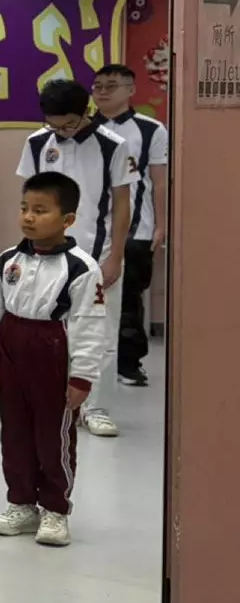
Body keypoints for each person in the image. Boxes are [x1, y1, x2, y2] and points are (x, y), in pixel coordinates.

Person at [0, 172, 107, 548]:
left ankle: (55, 508)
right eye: (24, 208)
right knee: (14, 432)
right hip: (12, 347)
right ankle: (21, 504)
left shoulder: (82, 268)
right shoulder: (7, 260)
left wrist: (82, 377)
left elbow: (88, 325)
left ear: (68, 219)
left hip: (53, 351)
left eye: (40, 210)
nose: (29, 217)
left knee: (53, 436)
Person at [16, 80, 136, 436]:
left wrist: (116, 257)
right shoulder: (37, 142)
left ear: (86, 112)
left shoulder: (113, 145)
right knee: (47, 332)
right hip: (47, 253)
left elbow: (122, 205)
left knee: (101, 334)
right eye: (53, 125)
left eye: (68, 124)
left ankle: (96, 408)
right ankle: (53, 403)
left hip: (97, 254)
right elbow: (28, 199)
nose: (61, 131)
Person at [90, 63, 168, 388]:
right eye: (98, 86)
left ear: (130, 90)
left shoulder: (151, 130)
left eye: (111, 85)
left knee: (129, 298)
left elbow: (159, 182)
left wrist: (161, 225)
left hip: (138, 229)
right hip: (91, 229)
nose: (102, 92)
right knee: (87, 298)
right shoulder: (82, 129)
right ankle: (88, 361)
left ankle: (129, 363)